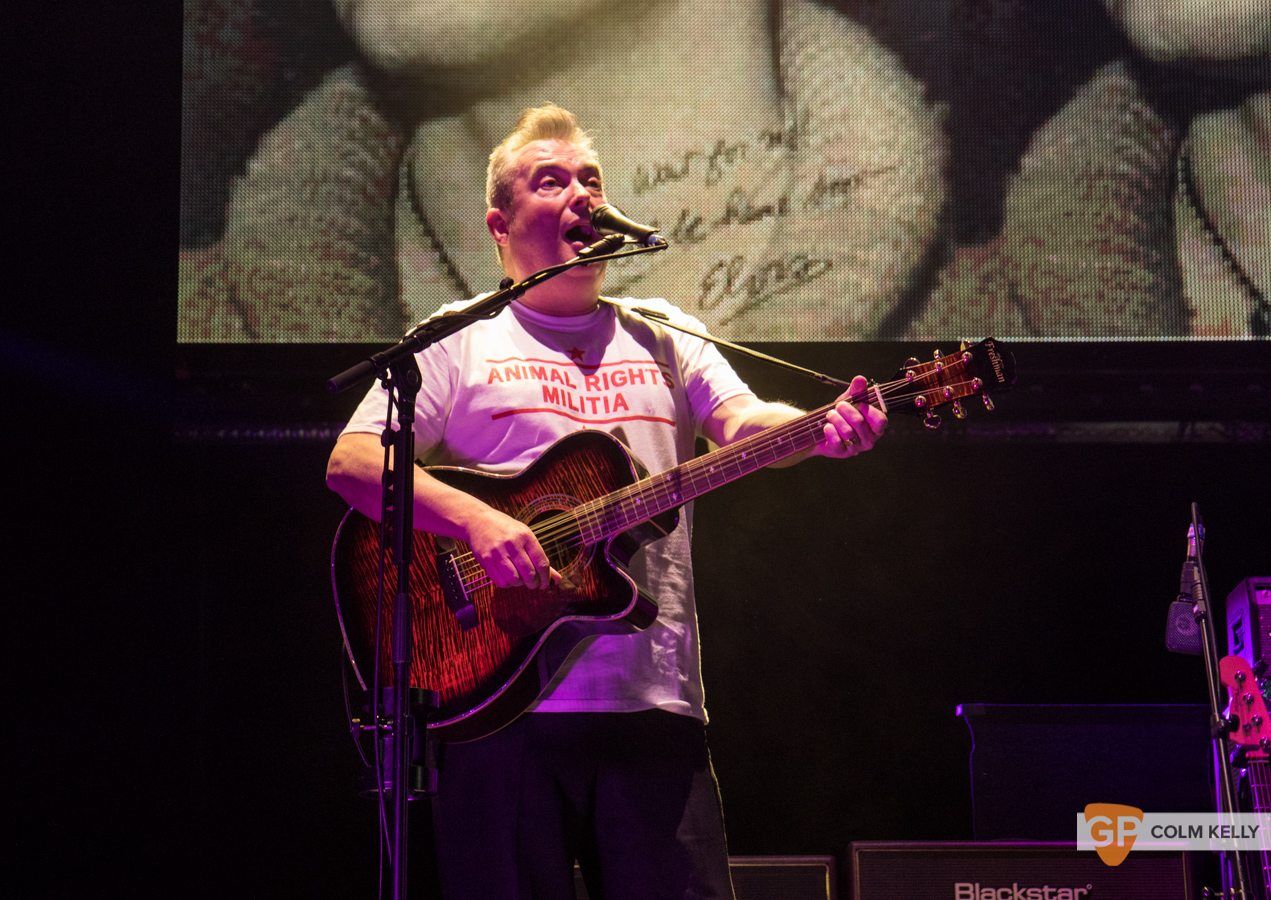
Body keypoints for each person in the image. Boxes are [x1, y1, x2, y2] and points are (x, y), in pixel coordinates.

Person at [325, 103, 888, 899]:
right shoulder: (459, 338)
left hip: (651, 697)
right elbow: (353, 463)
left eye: (590, 179)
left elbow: (743, 423)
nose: (580, 194)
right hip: (497, 700)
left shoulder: (664, 334)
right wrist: (479, 522)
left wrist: (818, 430)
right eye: (549, 180)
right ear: (500, 222)